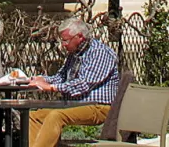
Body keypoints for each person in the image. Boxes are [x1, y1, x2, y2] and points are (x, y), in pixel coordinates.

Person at [25, 18, 119, 147]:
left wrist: (52, 87)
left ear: (79, 37)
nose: (63, 44)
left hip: (98, 107)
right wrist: (41, 80)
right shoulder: (74, 53)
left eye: (65, 40)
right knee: (34, 116)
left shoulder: (99, 52)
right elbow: (62, 76)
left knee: (56, 116)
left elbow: (84, 83)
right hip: (76, 105)